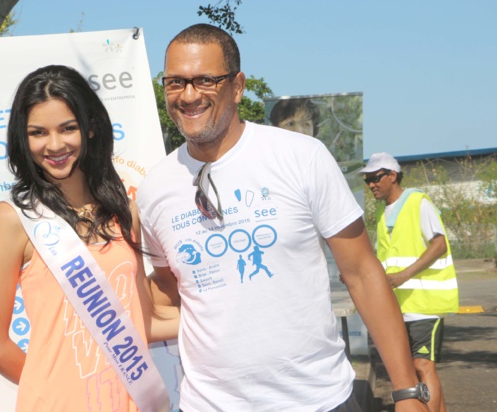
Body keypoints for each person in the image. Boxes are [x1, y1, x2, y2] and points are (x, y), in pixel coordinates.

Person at [138, 23, 429, 411]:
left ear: (237, 86)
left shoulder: (301, 156)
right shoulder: (155, 188)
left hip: (319, 399)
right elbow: (168, 288)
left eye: (205, 80)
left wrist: (407, 390)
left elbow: (361, 272)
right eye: (176, 82)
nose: (189, 95)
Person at [0, 65, 177, 411]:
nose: (54, 145)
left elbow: (139, 321)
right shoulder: (16, 219)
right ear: (23, 138)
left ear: (91, 128)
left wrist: (218, 319)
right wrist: (51, 390)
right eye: (38, 132)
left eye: (68, 128)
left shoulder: (124, 212)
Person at [359, 152, 458, 412]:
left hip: (425, 302)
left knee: (422, 366)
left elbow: (439, 244)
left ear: (392, 175)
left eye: (375, 178)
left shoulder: (418, 202)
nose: (371, 185)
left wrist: (405, 275)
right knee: (413, 371)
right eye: (367, 180)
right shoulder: (382, 212)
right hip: (398, 305)